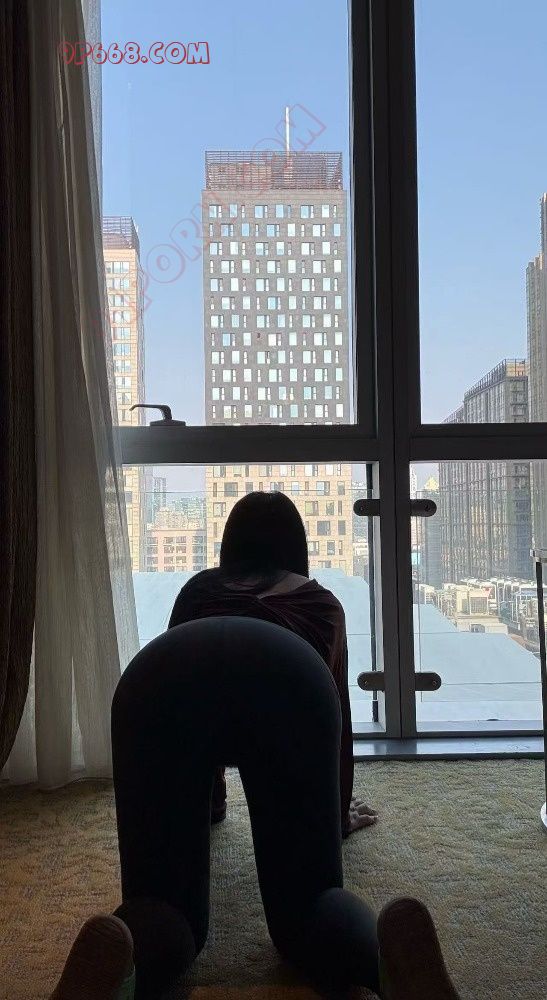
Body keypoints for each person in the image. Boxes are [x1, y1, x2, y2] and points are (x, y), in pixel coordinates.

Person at [168, 490, 377, 838]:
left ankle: (208, 801)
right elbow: (333, 714)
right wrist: (336, 813)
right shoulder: (320, 606)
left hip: (199, 731)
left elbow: (176, 687)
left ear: (230, 543)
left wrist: (207, 802)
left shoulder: (197, 593)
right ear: (297, 547)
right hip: (282, 736)